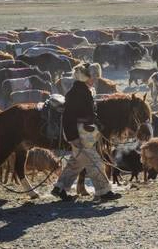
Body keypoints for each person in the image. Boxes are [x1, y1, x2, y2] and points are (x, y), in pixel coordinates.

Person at [51, 63, 122, 202]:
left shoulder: (84, 90)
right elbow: (68, 117)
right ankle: (104, 191)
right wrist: (73, 137)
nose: (95, 80)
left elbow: (89, 113)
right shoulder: (76, 93)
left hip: (84, 132)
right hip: (78, 133)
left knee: (76, 162)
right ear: (85, 77)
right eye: (93, 77)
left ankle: (59, 188)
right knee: (94, 161)